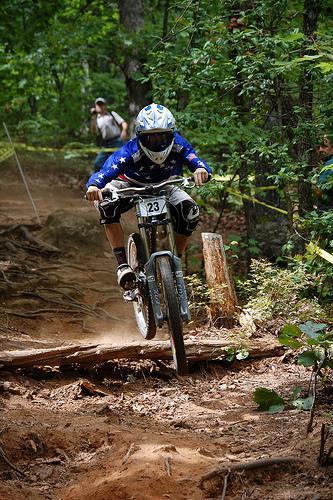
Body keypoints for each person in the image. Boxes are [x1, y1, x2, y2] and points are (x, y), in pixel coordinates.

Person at [86, 103, 212, 288]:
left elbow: (194, 159)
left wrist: (201, 169)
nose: (157, 142)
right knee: (106, 204)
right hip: (129, 184)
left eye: (162, 136)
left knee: (190, 210)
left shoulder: (178, 143)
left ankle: (174, 260)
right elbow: (105, 171)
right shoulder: (130, 150)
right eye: (151, 138)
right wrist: (94, 186)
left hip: (166, 184)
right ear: (140, 136)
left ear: (171, 133)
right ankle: (122, 265)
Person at [90, 97, 129, 172]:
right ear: (95, 106)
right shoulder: (95, 119)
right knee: (97, 163)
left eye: (102, 104)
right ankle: (97, 182)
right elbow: (94, 132)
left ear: (105, 105)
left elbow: (123, 123)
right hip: (106, 144)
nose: (100, 106)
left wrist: (124, 131)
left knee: (122, 161)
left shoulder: (112, 114)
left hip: (117, 141)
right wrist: (93, 116)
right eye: (98, 104)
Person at [314, 135, 333, 209]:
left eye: (325, 146)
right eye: (318, 147)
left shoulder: (329, 164)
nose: (321, 149)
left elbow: (319, 192)